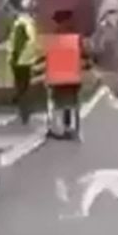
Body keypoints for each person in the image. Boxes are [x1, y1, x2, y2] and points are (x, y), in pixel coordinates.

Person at [45, 9, 83, 139]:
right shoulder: (75, 37)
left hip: (60, 76)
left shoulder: (57, 37)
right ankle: (71, 129)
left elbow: (51, 57)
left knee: (60, 104)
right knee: (70, 104)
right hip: (70, 76)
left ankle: (59, 129)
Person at [7, 0, 38, 124]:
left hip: (20, 60)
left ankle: (24, 114)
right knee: (24, 87)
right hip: (26, 60)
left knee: (21, 88)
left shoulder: (20, 24)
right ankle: (25, 113)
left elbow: (20, 43)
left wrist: (16, 56)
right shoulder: (28, 22)